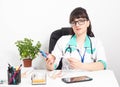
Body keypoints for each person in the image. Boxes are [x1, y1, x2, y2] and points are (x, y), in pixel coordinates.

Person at [45, 7, 107, 71]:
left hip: (89, 79)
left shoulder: (96, 42)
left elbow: (103, 65)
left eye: (81, 21)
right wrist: (50, 63)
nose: (77, 25)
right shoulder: (63, 40)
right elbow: (53, 66)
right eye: (74, 22)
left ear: (88, 23)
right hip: (67, 79)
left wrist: (81, 66)